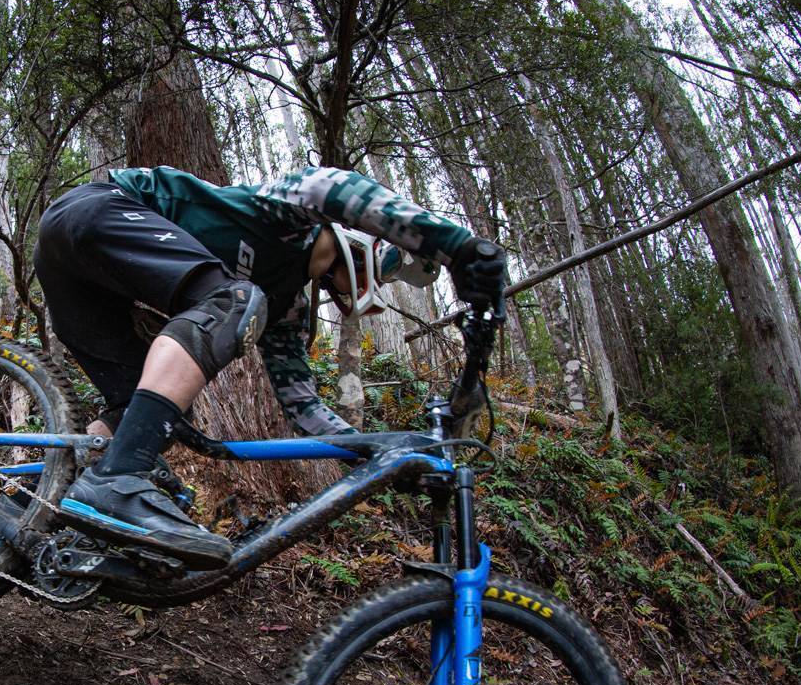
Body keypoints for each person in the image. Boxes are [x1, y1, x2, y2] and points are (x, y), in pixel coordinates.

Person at [32, 165, 508, 570]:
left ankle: (31, 504)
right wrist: (459, 247)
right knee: (234, 300)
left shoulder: (286, 305)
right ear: (358, 241)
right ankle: (117, 480)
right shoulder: (288, 214)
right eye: (375, 272)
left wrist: (379, 456)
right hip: (99, 209)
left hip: (85, 284)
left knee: (145, 414)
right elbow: (330, 187)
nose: (370, 286)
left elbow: (303, 406)